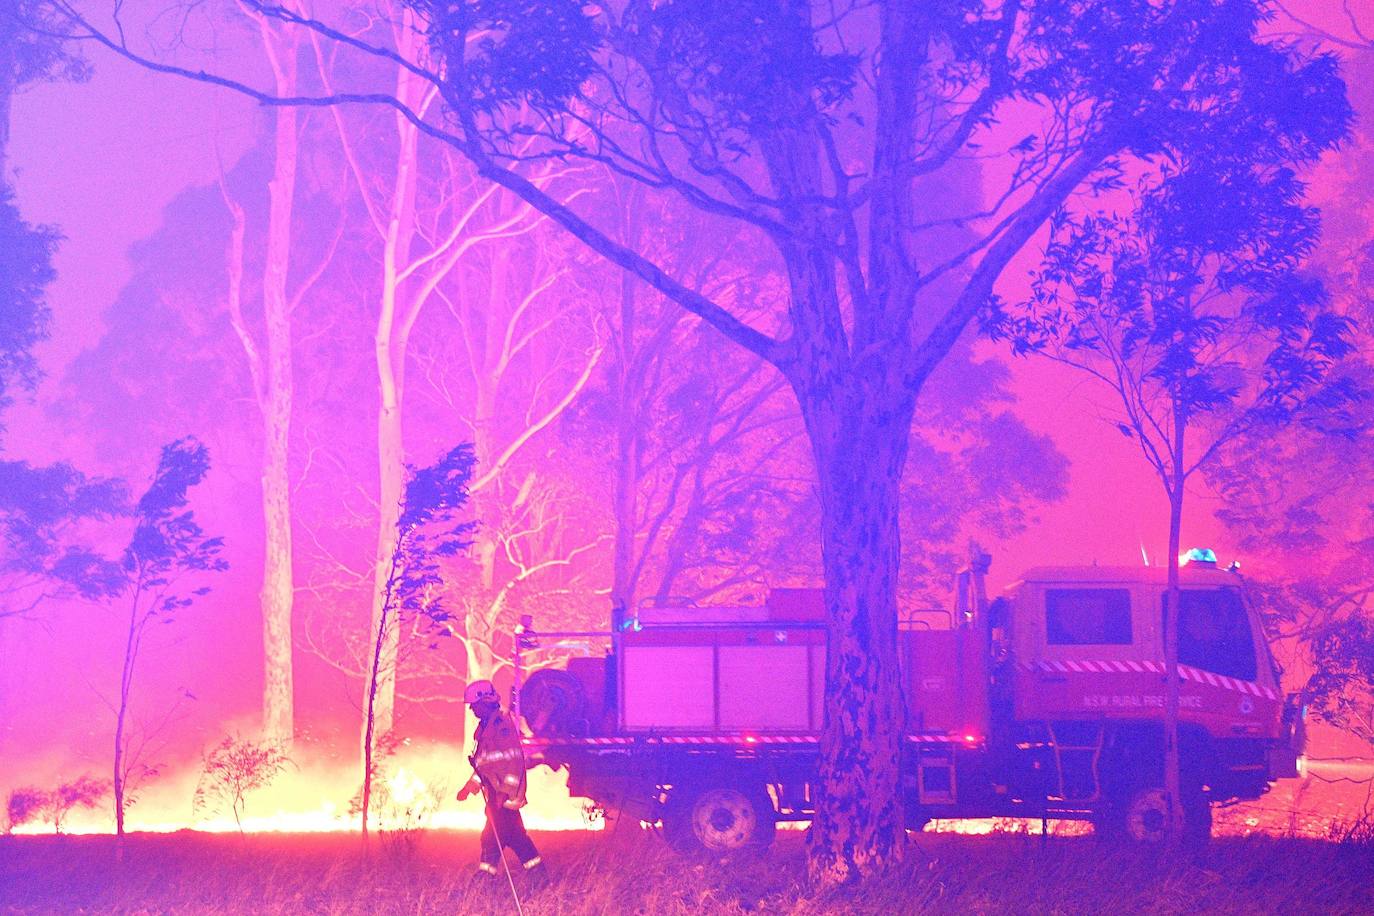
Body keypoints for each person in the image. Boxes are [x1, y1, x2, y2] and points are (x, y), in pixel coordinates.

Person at [457, 679, 546, 881]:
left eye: (474, 705)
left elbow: (513, 762)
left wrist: (504, 792)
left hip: (503, 798)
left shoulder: (501, 726)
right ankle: (539, 877)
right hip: (497, 796)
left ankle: (485, 880)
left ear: (485, 701)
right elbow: (485, 766)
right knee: (515, 839)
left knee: (491, 838)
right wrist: (469, 787)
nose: (472, 709)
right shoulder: (487, 728)